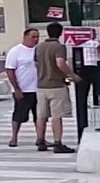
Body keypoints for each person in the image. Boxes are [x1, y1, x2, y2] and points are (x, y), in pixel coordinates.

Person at [35, 22, 85, 154]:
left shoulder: (39, 47)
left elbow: (35, 64)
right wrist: (71, 75)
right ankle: (58, 143)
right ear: (60, 33)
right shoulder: (59, 47)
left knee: (41, 115)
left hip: (41, 85)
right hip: (56, 85)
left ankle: (40, 141)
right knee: (56, 116)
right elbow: (60, 63)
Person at [4, 28, 43, 148]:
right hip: (23, 89)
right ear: (25, 37)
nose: (35, 40)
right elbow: (10, 70)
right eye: (33, 37)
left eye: (37, 37)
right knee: (19, 114)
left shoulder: (39, 50)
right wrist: (16, 88)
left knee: (40, 115)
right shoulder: (16, 51)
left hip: (38, 88)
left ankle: (40, 137)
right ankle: (14, 137)